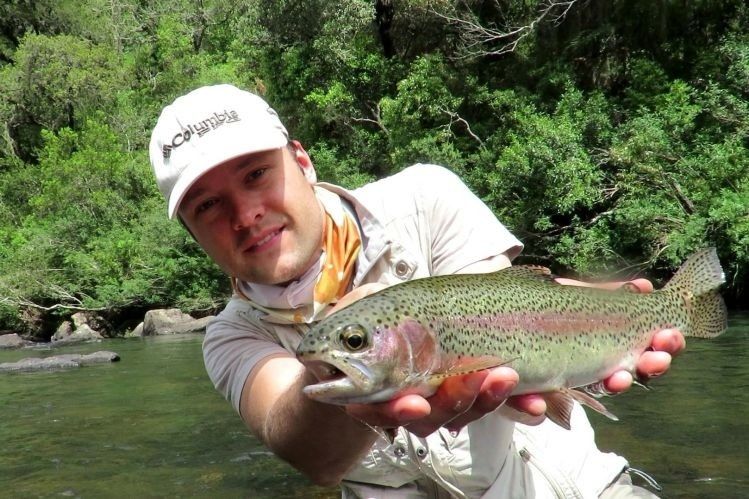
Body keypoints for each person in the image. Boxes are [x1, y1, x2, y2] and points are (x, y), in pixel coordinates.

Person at [149, 84, 685, 498]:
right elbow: (311, 454)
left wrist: (598, 325)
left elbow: (505, 311)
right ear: (191, 233)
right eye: (208, 206)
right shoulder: (229, 337)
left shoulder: (425, 196)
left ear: (303, 161)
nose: (246, 214)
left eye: (257, 174)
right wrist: (339, 370)